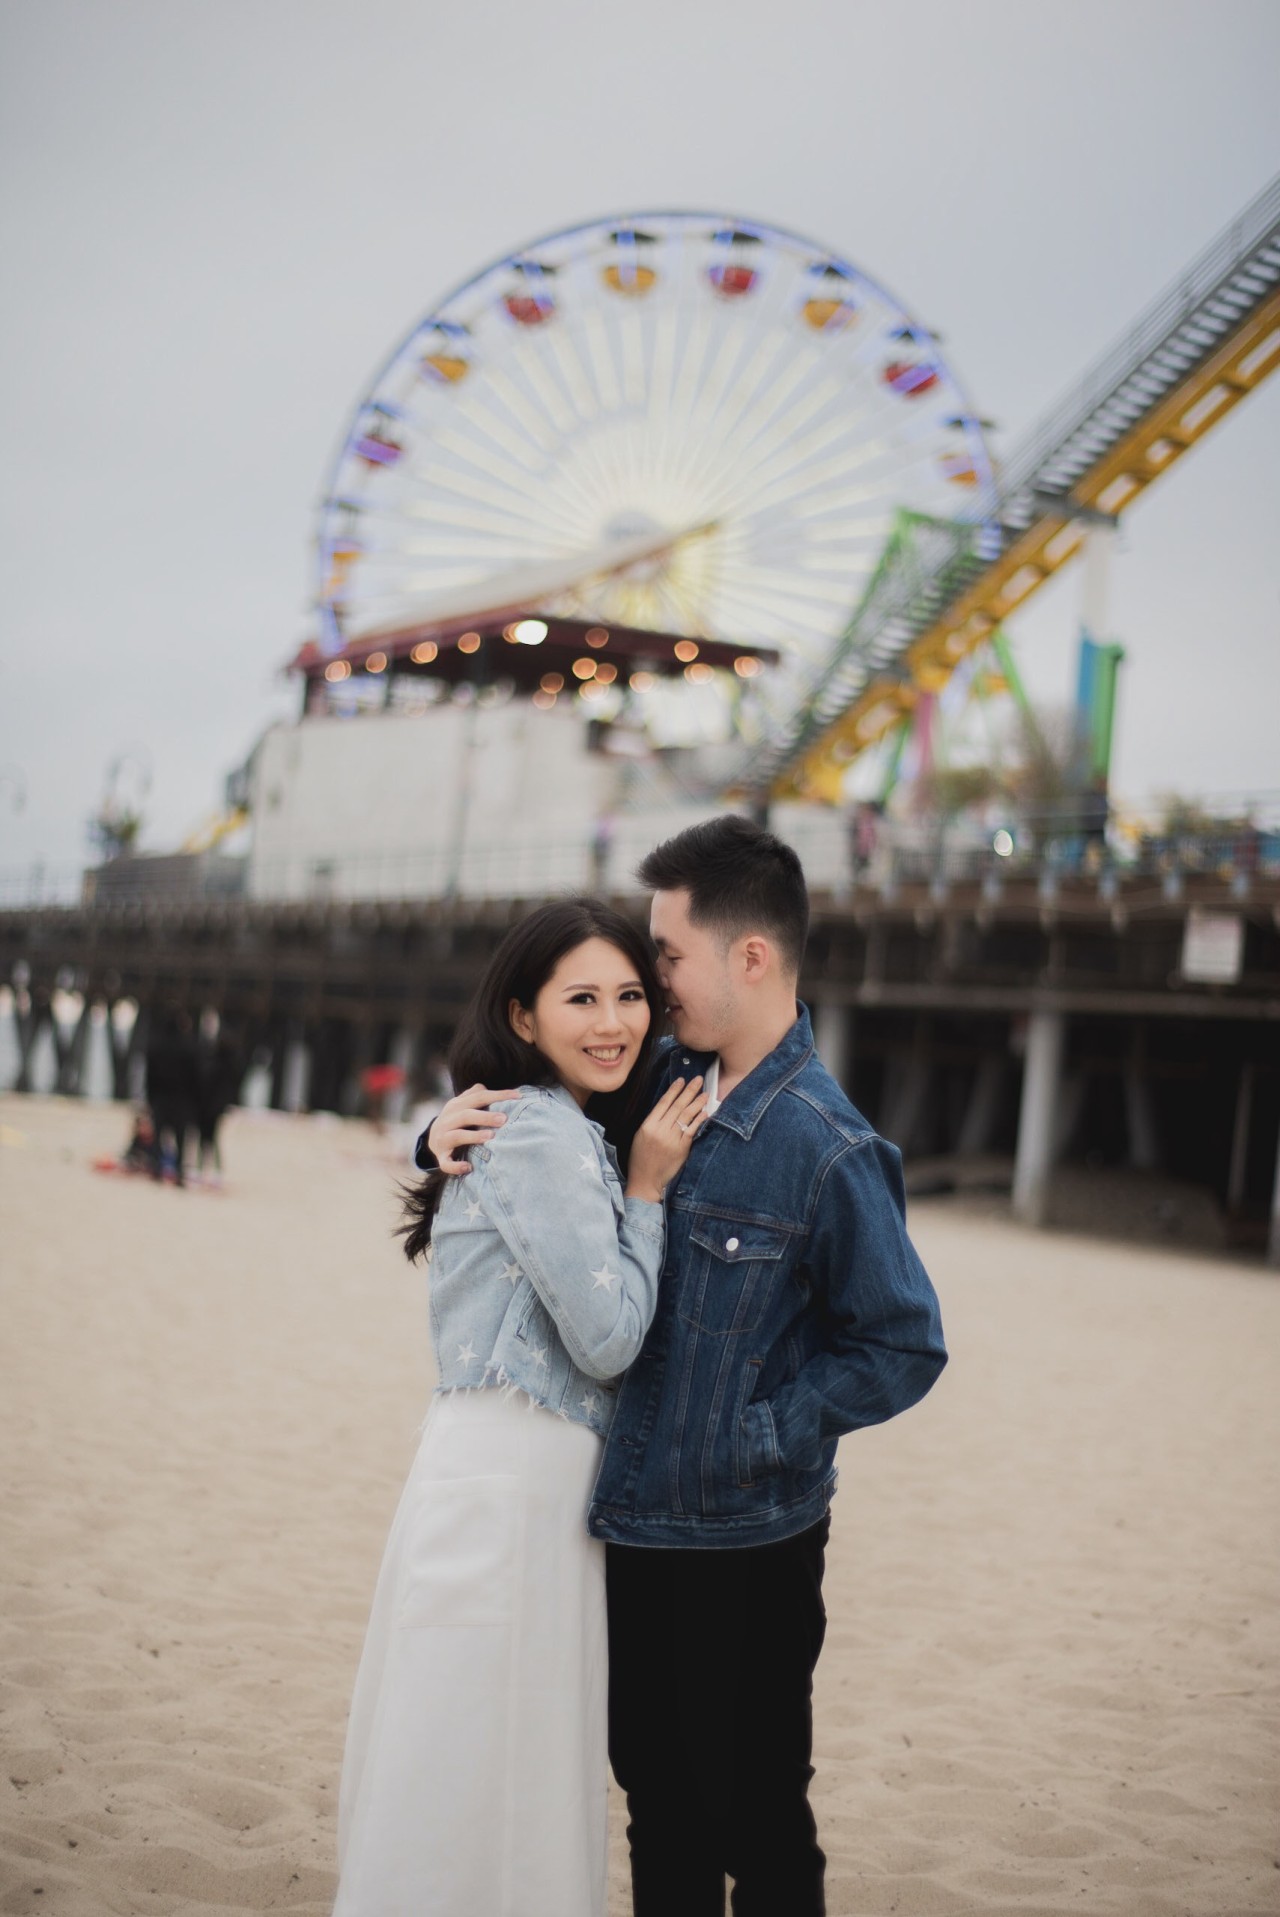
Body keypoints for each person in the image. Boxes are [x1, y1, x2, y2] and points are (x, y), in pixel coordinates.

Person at [426, 816, 947, 1915]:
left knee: (760, 1818)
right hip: (632, 1525)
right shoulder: (656, 1076)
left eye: (664, 956)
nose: (647, 984)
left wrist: (762, 1430)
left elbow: (902, 1339)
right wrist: (435, 1131)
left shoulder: (828, 1145)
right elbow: (531, 1125)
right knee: (659, 1805)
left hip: (750, 1541)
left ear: (747, 956)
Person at [333, 898, 707, 1917]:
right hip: (518, 1474)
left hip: (493, 1463)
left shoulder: (543, 1120)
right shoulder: (544, 1129)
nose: (613, 1023)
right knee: (488, 1754)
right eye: (580, 998)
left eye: (629, 996)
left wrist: (425, 1136)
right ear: (522, 1014)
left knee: (461, 1744)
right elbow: (608, 1340)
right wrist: (648, 1192)